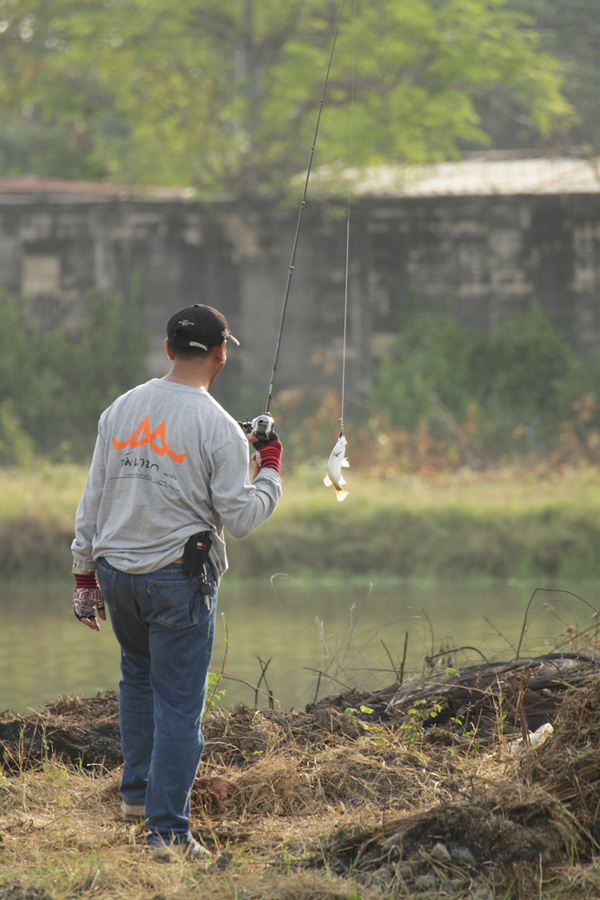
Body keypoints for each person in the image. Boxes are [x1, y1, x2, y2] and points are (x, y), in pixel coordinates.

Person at [71, 304, 282, 862]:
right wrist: (271, 467)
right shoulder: (216, 426)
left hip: (115, 576)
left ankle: (137, 797)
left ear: (168, 349)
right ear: (221, 353)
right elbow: (238, 517)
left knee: (137, 681)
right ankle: (167, 835)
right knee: (180, 707)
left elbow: (93, 498)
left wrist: (83, 577)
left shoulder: (120, 409)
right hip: (177, 582)